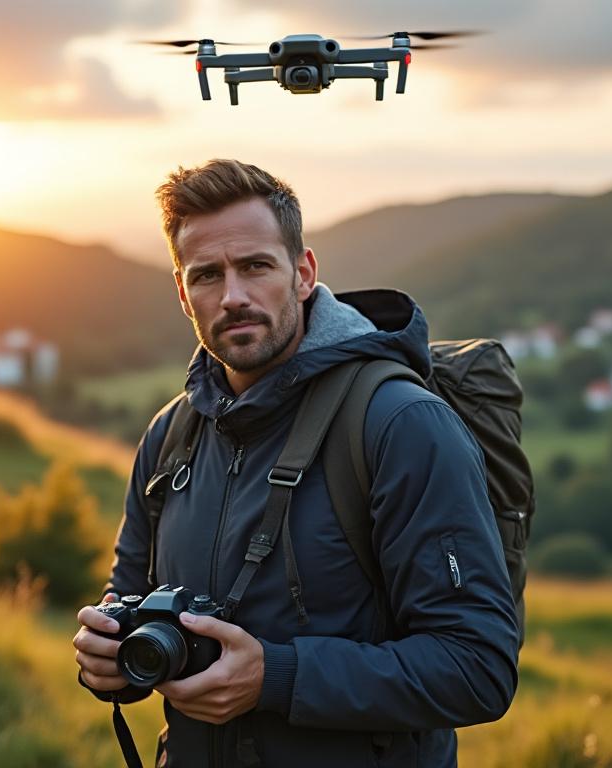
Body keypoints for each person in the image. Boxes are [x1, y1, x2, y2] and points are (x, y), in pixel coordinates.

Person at [73, 159, 518, 767]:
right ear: (182, 294)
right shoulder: (170, 435)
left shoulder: (398, 424)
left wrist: (276, 677)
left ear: (304, 274)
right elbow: (128, 598)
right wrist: (112, 661)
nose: (233, 296)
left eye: (256, 266)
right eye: (207, 275)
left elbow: (477, 667)